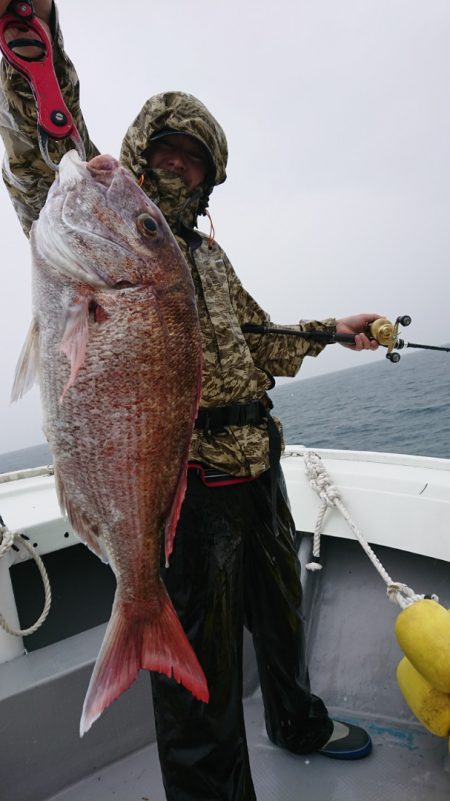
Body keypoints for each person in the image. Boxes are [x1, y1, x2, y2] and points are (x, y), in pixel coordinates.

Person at [0, 3, 380, 799]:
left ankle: (297, 720)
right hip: (188, 491)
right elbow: (47, 154)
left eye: (196, 160)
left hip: (261, 471)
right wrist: (35, 58)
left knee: (283, 626)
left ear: (213, 174)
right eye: (166, 151)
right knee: (198, 677)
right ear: (139, 152)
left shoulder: (202, 255)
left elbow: (258, 340)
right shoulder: (109, 221)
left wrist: (331, 333)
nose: (180, 168)